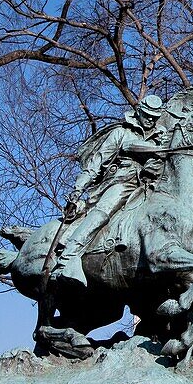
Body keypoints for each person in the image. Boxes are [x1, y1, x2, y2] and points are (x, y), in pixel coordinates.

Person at [51, 94, 170, 287]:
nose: (150, 120)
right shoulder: (121, 133)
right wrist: (79, 187)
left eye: (154, 117)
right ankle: (67, 258)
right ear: (138, 112)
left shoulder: (162, 136)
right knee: (104, 211)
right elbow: (96, 162)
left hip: (153, 184)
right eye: (147, 115)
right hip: (123, 181)